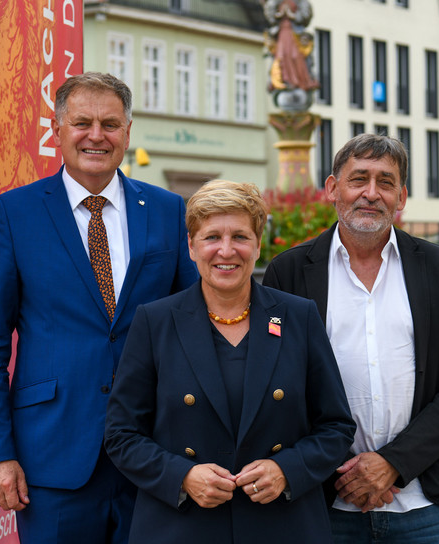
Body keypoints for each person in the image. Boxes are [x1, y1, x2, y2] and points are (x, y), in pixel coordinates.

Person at [0, 72, 199, 544]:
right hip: (52, 460)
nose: (97, 135)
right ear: (57, 130)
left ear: (128, 133)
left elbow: (194, 324)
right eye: (82, 123)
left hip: (154, 454)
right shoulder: (16, 213)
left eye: (111, 124)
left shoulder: (168, 209)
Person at [104, 180, 356, 543]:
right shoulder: (155, 322)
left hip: (283, 526)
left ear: (257, 246)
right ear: (191, 246)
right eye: (211, 238)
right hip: (183, 526)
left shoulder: (299, 317)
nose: (226, 251)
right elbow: (121, 434)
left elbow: (336, 425)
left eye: (240, 236)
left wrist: (286, 469)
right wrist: (182, 476)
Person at [263, 134, 439, 543]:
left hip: (426, 502)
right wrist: (346, 472)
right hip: (326, 504)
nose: (371, 193)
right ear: (332, 189)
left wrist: (393, 463)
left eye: (385, 182)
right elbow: (280, 388)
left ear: (401, 197)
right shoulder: (289, 272)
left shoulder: (437, 267)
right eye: (358, 178)